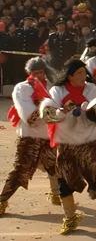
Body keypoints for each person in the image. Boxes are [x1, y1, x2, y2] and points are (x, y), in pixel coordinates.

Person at [39, 60, 96, 234]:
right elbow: (47, 115)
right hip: (67, 145)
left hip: (89, 144)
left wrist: (92, 110)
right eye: (79, 73)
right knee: (65, 185)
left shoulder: (92, 89)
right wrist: (62, 111)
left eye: (85, 72)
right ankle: (70, 218)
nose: (84, 76)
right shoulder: (57, 91)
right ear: (70, 75)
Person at [1, 57, 60, 215]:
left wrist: (62, 112)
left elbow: (57, 109)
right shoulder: (22, 88)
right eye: (35, 72)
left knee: (53, 165)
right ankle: (2, 201)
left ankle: (56, 194)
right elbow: (29, 117)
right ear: (29, 72)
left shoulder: (52, 87)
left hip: (48, 134)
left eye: (41, 72)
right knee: (21, 169)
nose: (38, 75)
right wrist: (51, 111)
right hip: (29, 136)